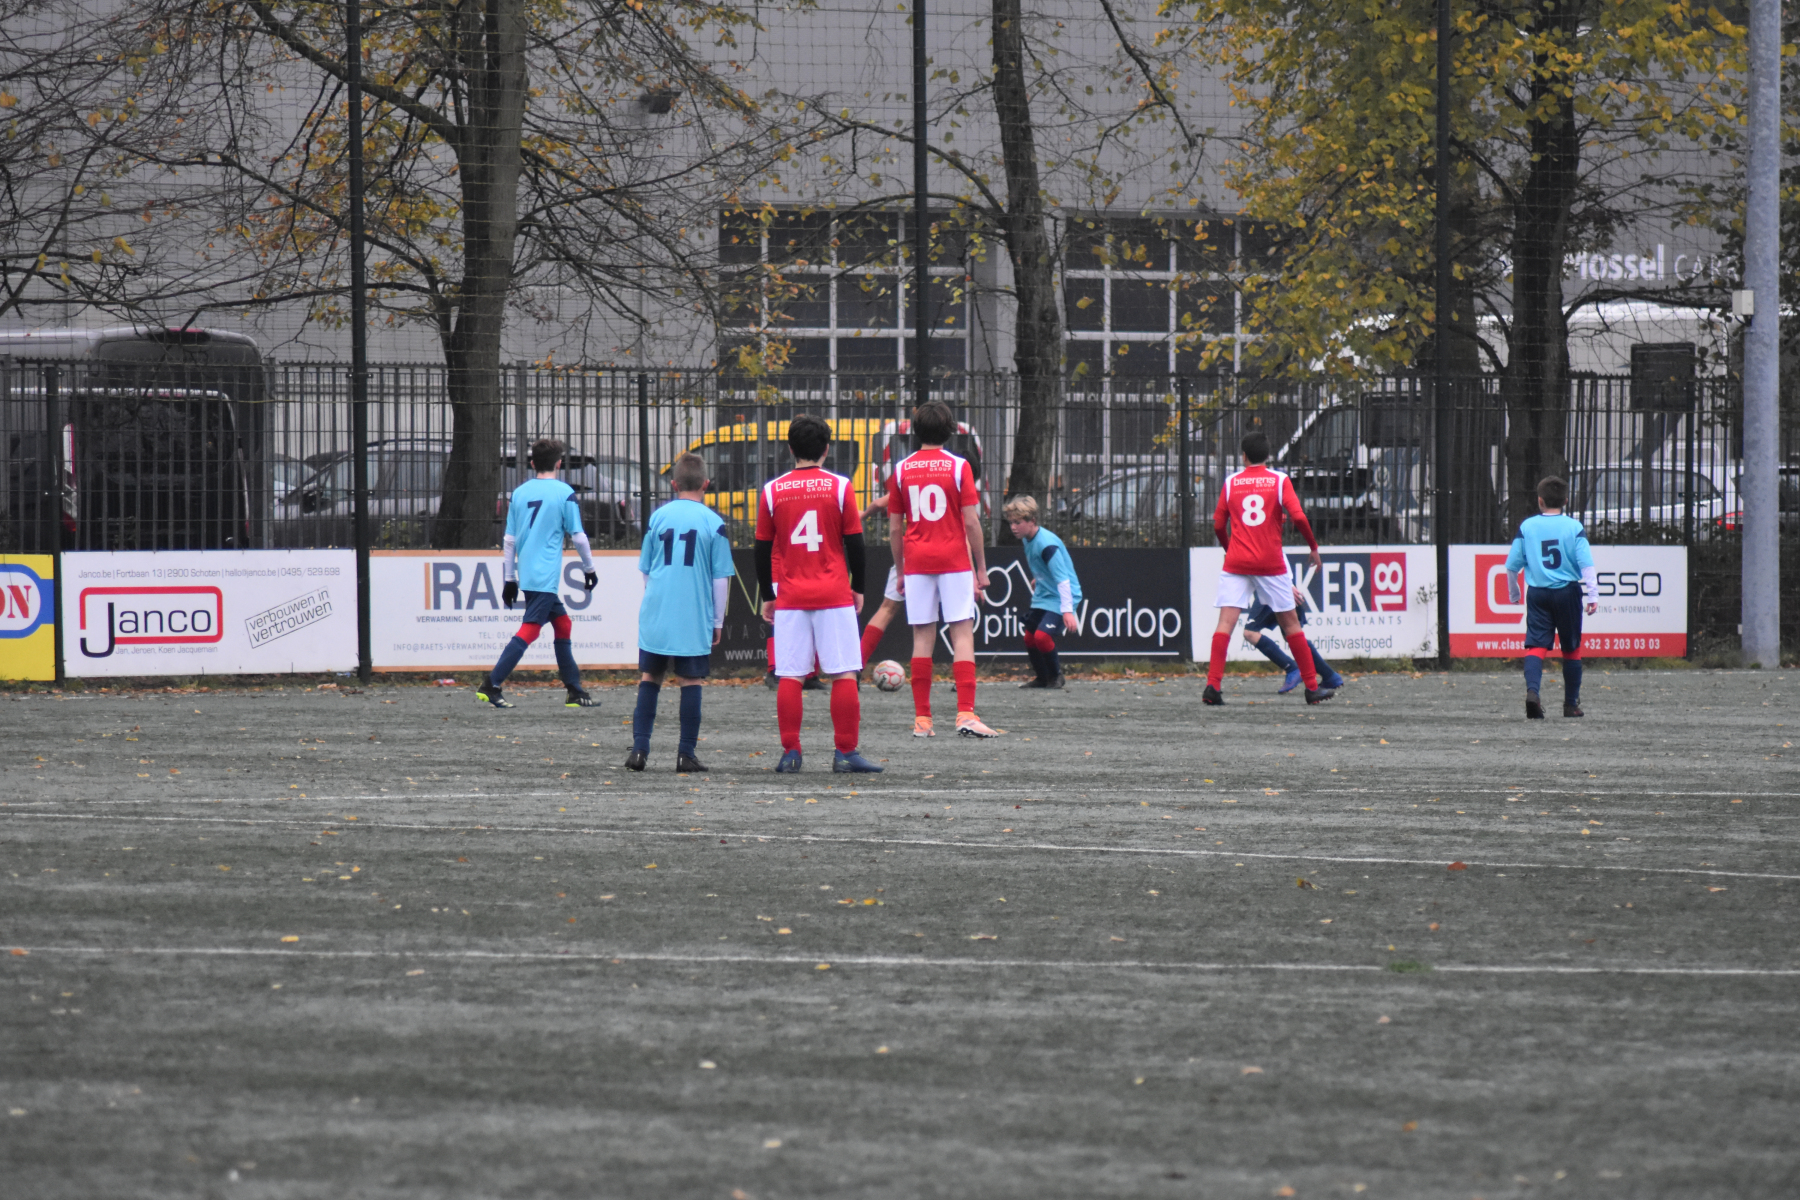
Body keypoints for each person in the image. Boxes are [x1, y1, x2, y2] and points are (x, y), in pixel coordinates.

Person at [755, 414, 883, 773]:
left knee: (791, 675)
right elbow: (855, 544)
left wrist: (768, 594)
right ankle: (845, 753)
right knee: (843, 673)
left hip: (791, 597)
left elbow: (761, 549)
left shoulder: (772, 490)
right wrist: (858, 587)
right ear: (826, 449)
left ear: (790, 449)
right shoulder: (841, 487)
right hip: (833, 594)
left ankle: (791, 753)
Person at [889, 401, 1000, 738]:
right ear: (950, 430)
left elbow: (895, 528)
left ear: (915, 431)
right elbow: (972, 522)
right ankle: (965, 714)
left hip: (917, 561)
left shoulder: (901, 469)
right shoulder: (959, 466)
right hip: (953, 561)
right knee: (962, 633)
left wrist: (901, 571)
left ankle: (923, 721)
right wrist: (981, 569)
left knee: (922, 637)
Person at [1204, 430, 1334, 706]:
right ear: (1268, 455)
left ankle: (1212, 686)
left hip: (1237, 562)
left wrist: (1230, 549)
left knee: (1225, 623)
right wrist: (1313, 546)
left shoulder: (1231, 482)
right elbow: (1298, 517)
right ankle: (1312, 688)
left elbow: (1217, 525)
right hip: (1270, 563)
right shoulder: (1279, 480)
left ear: (1244, 456)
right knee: (1291, 624)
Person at [625, 453, 736, 772]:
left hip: (657, 612)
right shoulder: (713, 522)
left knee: (650, 677)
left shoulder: (658, 517)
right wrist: (717, 621)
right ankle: (685, 754)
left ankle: (639, 751)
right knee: (691, 681)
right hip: (693, 615)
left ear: (674, 484)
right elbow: (720, 579)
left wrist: (657, 599)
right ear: (706, 484)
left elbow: (646, 570)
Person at [477, 438, 599, 709]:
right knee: (531, 629)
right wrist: (589, 569)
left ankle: (574, 690)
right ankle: (491, 684)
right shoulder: (564, 493)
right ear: (559, 463)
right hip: (545, 575)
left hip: (528, 572)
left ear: (532, 463)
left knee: (563, 624)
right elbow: (578, 536)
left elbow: (509, 539)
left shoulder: (519, 493)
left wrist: (510, 579)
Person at [1505, 475, 1597, 719]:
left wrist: (1514, 593)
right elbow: (1586, 564)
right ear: (1566, 501)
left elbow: (1512, 565)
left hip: (1538, 593)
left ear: (1540, 501)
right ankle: (1570, 705)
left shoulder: (1527, 527)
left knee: (1535, 646)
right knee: (1571, 648)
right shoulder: (1574, 527)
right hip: (1567, 592)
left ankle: (1533, 693)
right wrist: (1593, 594)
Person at [1002, 495, 1081, 689]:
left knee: (1042, 636)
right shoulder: (1027, 539)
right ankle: (1042, 678)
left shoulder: (1047, 545)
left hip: (1062, 596)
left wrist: (1067, 610)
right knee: (1029, 638)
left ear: (1032, 521)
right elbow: (1045, 567)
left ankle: (1056, 676)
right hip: (1045, 593)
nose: (1013, 527)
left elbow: (1063, 579)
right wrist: (1039, 579)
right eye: (1011, 522)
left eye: (1018, 522)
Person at [1242, 597, 1345, 694]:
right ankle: (1329, 675)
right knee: (1292, 636)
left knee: (1250, 633)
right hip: (1280, 589)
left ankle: (1292, 668)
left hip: (1272, 589)